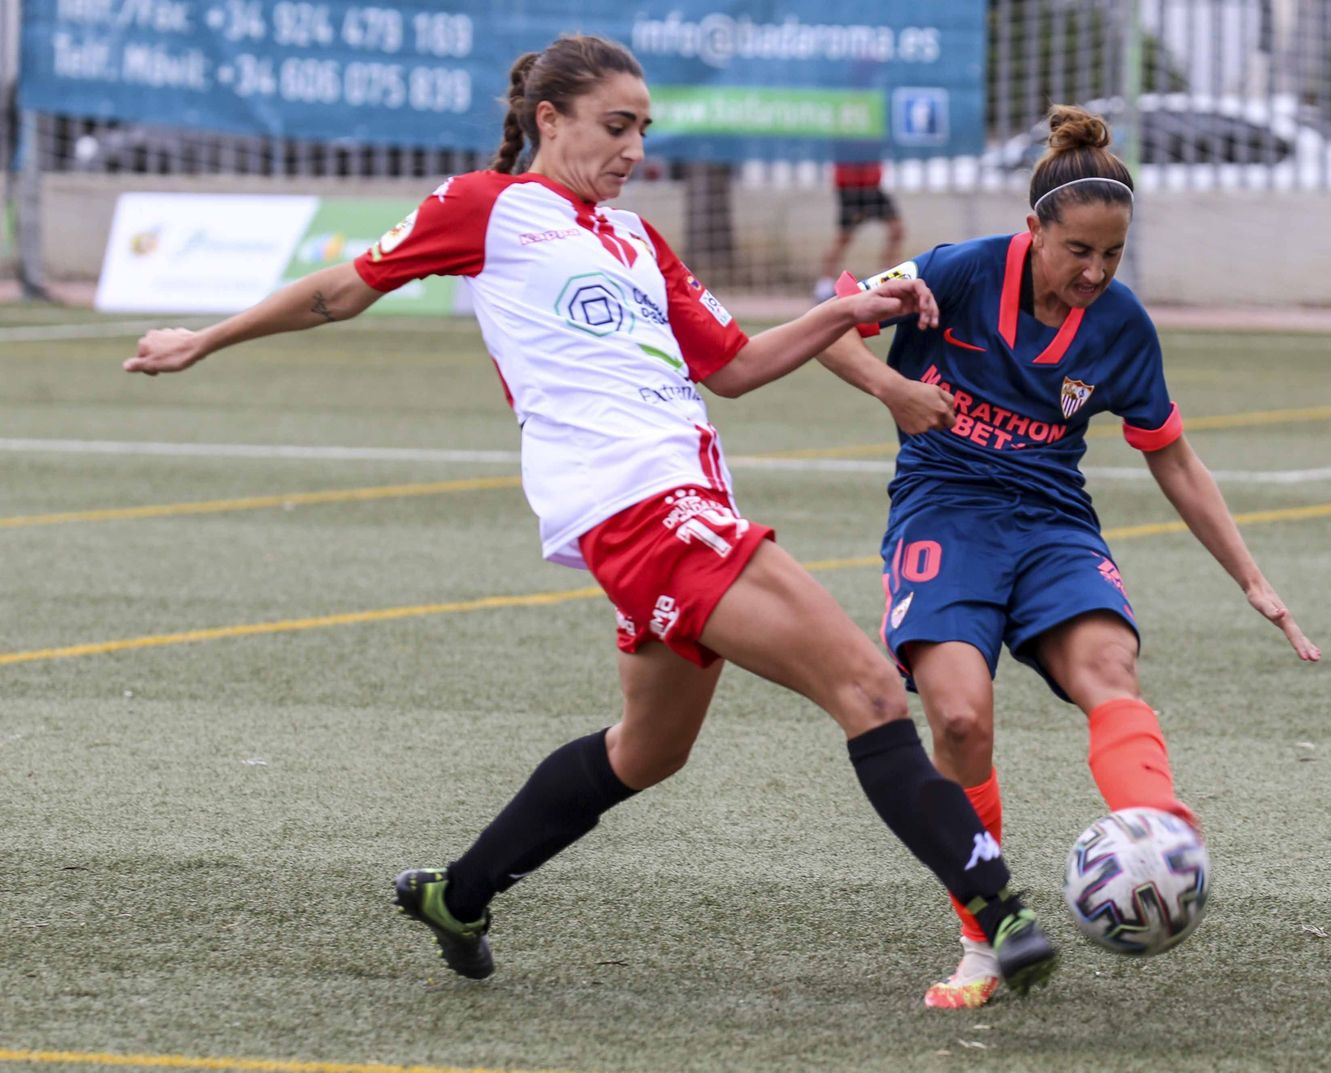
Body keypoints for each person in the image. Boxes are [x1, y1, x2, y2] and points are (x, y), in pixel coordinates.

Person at [122, 35, 1061, 999]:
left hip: (680, 500)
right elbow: (337, 292)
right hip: (641, 508)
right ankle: (999, 907)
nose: (634, 148)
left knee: (648, 750)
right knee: (867, 688)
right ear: (548, 120)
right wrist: (206, 337)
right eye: (616, 127)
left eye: (644, 130)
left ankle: (462, 892)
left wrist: (846, 310)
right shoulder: (486, 209)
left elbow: (731, 367)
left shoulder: (636, 238)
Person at [816, 104, 1321, 1009]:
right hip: (944, 512)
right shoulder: (955, 269)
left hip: (1052, 521)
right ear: (1033, 229)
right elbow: (830, 320)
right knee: (961, 720)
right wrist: (895, 387)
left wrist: (1250, 575)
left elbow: (1169, 451)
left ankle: (1162, 838)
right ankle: (983, 937)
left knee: (1109, 666)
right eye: (1077, 250)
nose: (1094, 272)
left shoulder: (1121, 325)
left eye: (1113, 254)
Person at [813, 158, 905, 303]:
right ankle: (823, 287)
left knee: (897, 230)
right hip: (851, 190)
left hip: (872, 189)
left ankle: (885, 277)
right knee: (843, 239)